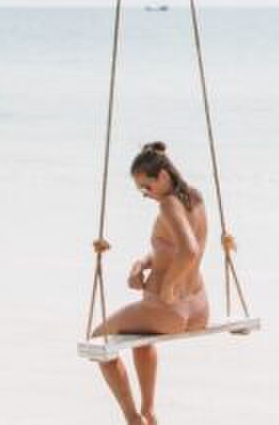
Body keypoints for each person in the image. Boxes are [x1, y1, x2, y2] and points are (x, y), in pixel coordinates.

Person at [90, 142, 210, 425]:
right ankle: (149, 412)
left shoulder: (168, 204)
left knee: (97, 340)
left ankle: (133, 418)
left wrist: (167, 287)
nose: (145, 194)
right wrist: (143, 263)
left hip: (170, 310)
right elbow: (173, 248)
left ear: (164, 176)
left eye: (147, 186)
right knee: (138, 339)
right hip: (199, 308)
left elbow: (189, 250)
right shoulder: (194, 197)